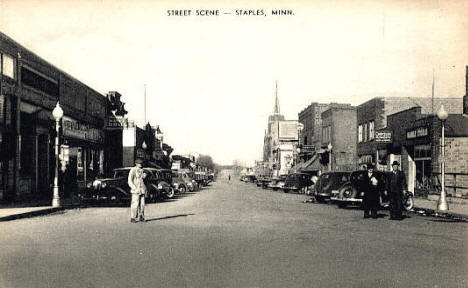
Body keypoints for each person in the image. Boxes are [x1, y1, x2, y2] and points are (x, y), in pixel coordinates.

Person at [128, 158, 147, 223]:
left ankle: (141, 216)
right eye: (139, 163)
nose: (140, 165)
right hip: (136, 190)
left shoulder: (142, 170)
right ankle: (133, 217)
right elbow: (130, 180)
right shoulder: (133, 170)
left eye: (141, 163)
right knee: (135, 204)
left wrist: (145, 176)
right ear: (136, 164)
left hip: (142, 189)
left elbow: (144, 180)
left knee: (142, 204)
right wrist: (134, 188)